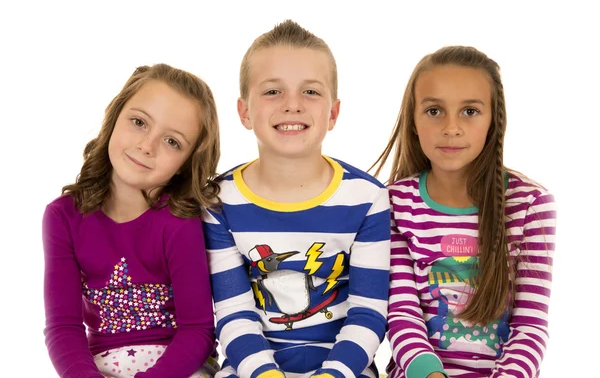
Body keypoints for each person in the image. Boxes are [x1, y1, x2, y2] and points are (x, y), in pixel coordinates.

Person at [201, 20, 390, 378]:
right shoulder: (218, 202)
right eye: (273, 91)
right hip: (251, 367)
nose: (292, 105)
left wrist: (333, 373)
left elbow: (368, 314)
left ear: (333, 113)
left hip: (345, 368)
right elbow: (234, 314)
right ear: (244, 111)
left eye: (311, 92)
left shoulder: (367, 199)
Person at [371, 46, 557, 378]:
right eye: (434, 111)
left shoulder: (530, 205)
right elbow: (402, 313)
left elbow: (530, 326)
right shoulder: (394, 203)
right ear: (413, 120)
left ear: (494, 120)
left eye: (470, 111)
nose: (451, 127)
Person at [42, 64, 221, 378]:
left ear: (186, 163)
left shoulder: (179, 221)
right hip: (100, 366)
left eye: (172, 142)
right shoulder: (63, 216)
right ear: (114, 117)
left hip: (181, 367)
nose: (147, 145)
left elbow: (197, 330)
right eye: (139, 122)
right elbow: (63, 327)